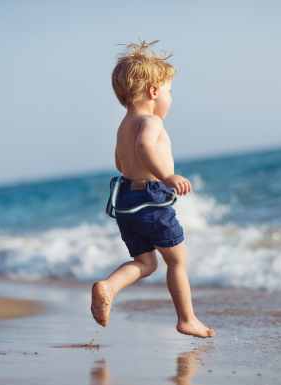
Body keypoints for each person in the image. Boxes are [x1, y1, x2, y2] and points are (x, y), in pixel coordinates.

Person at [91, 40, 215, 338]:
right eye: (170, 91)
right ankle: (187, 319)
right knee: (177, 260)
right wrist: (167, 176)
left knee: (145, 262)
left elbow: (121, 164)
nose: (171, 98)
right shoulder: (151, 121)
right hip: (150, 199)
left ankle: (109, 286)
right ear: (154, 92)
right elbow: (144, 147)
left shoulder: (124, 125)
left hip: (125, 203)